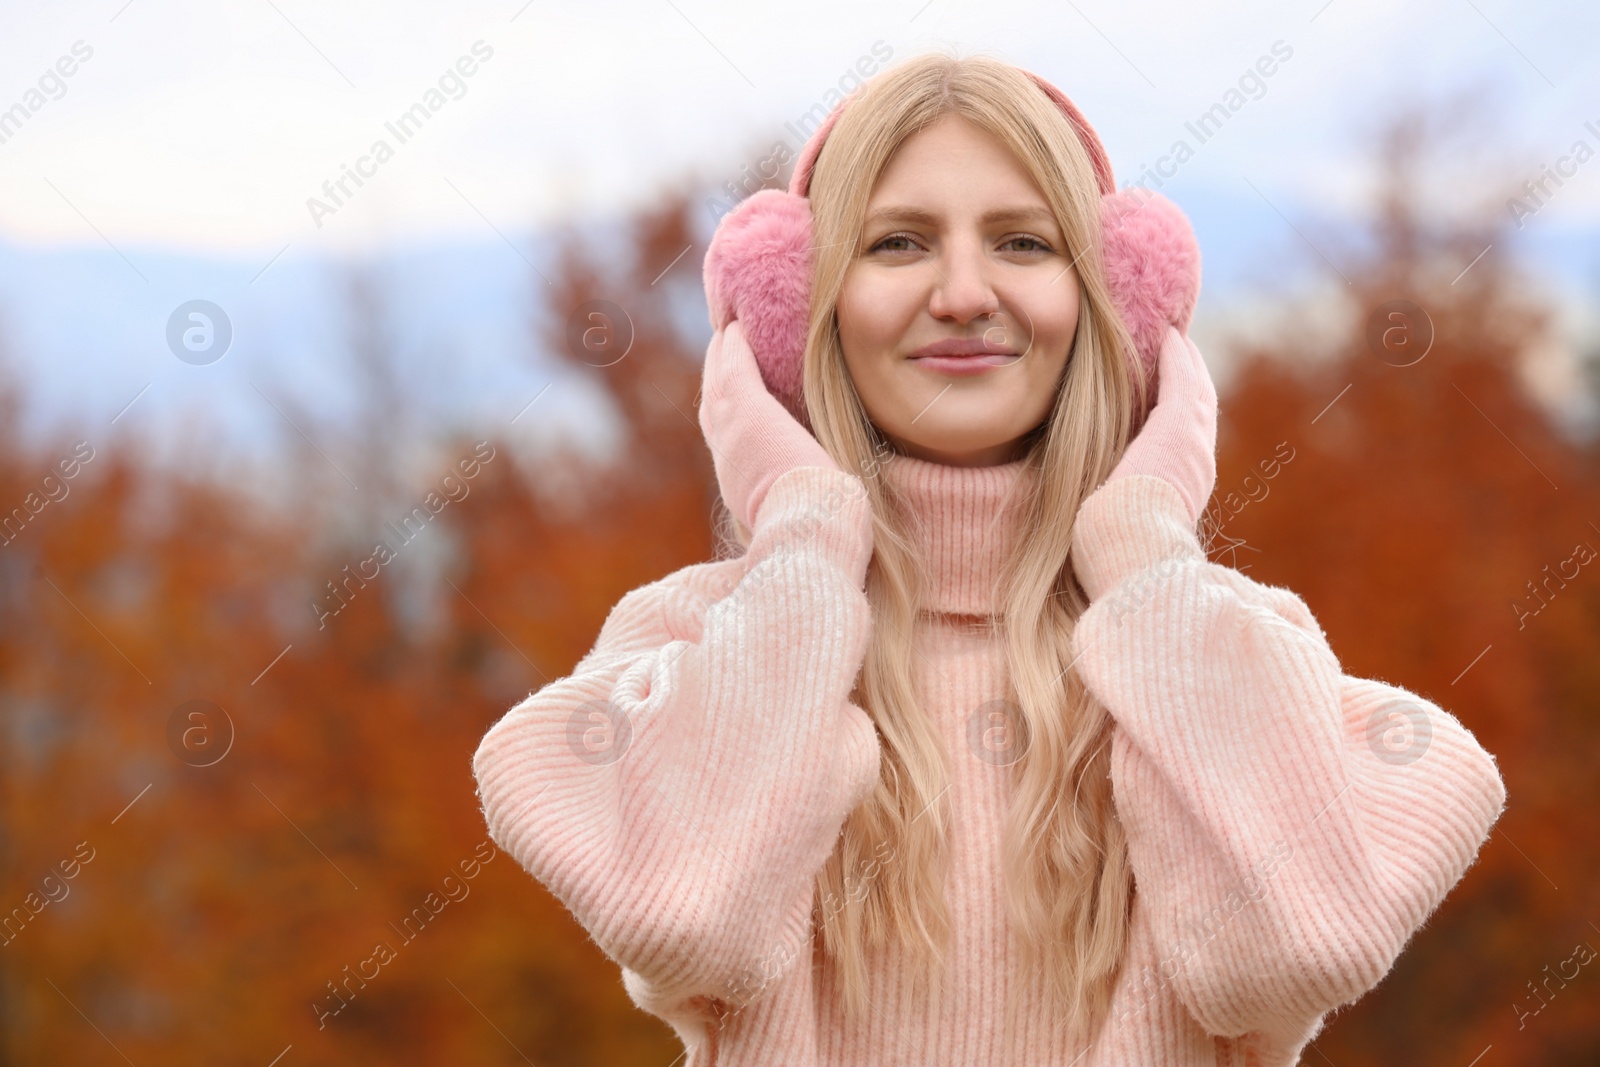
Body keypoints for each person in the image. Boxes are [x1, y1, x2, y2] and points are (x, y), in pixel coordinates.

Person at [471, 51, 1506, 1066]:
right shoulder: (695, 642)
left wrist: (1144, 537)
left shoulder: (1218, 642)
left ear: (1114, 300)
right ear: (798, 308)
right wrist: (802, 525)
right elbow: (686, 921)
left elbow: (1298, 947)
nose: (964, 293)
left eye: (1021, 242)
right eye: (897, 244)